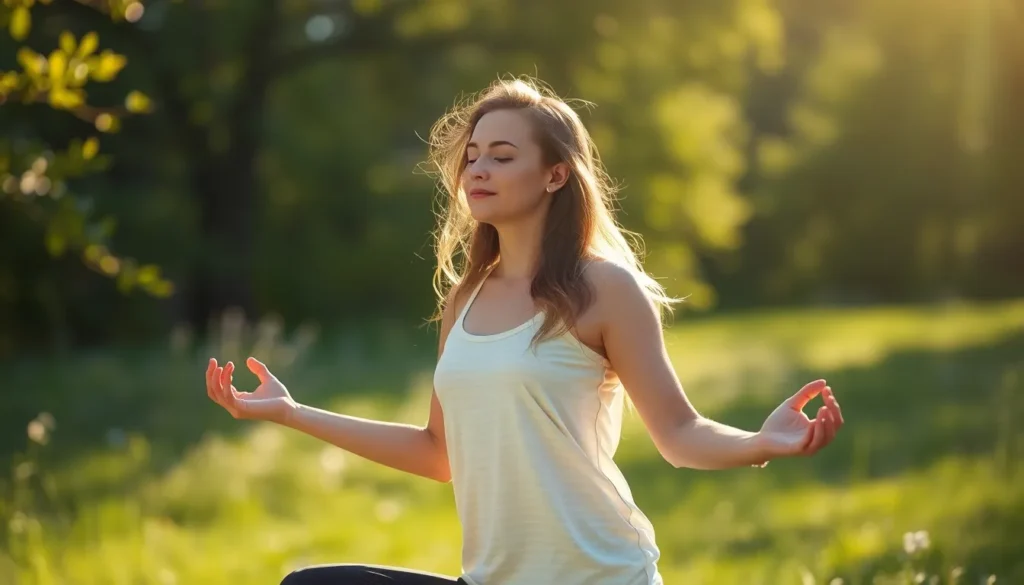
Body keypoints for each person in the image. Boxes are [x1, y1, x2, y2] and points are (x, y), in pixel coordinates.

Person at [204, 77, 845, 585]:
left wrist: (762, 442)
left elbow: (680, 434)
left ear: (555, 174)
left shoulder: (604, 290)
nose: (477, 169)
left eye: (502, 156)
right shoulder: (464, 301)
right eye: (472, 156)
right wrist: (289, 413)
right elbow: (438, 454)